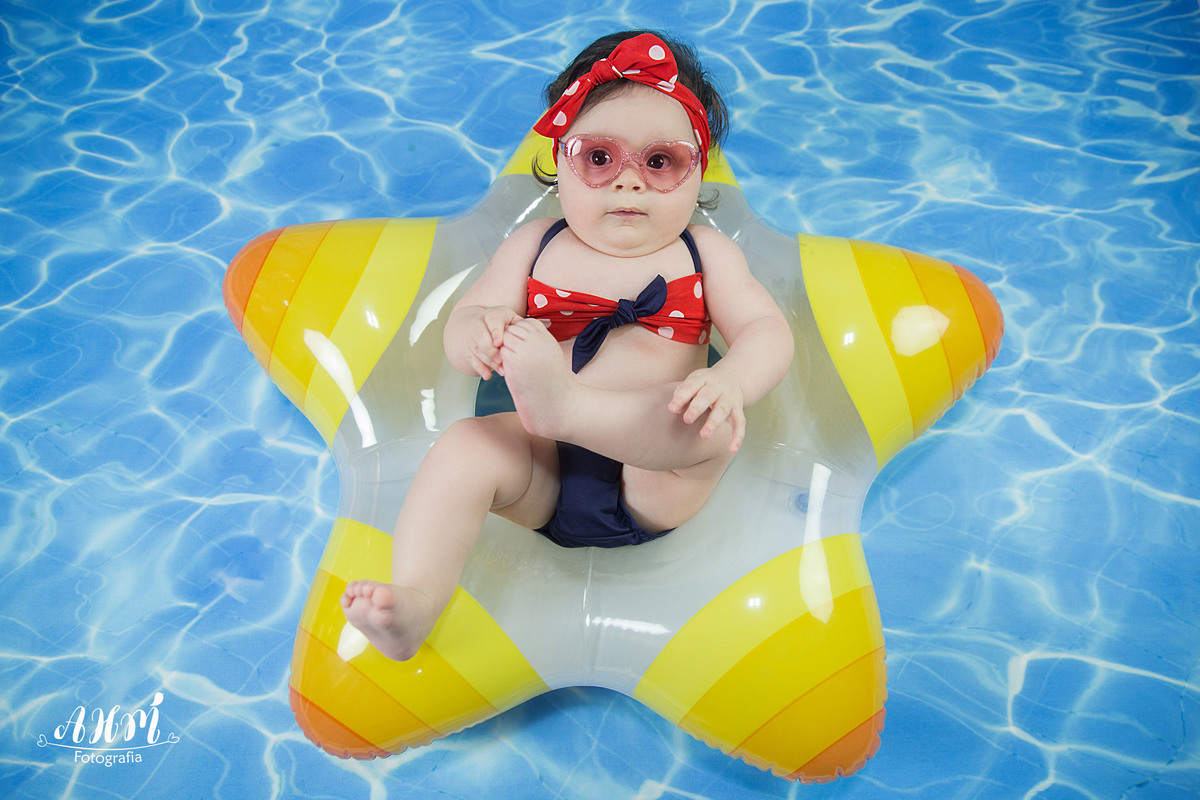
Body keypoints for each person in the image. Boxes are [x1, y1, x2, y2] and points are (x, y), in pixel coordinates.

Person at [341, 30, 794, 661]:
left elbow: (767, 331)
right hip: (543, 471)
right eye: (600, 158)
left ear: (698, 170)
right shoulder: (534, 245)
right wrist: (477, 331)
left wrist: (729, 382)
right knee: (466, 446)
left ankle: (570, 406)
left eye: (660, 162)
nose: (629, 184)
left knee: (709, 427)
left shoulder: (706, 254)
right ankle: (416, 600)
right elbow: (468, 318)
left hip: (653, 481)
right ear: (559, 160)